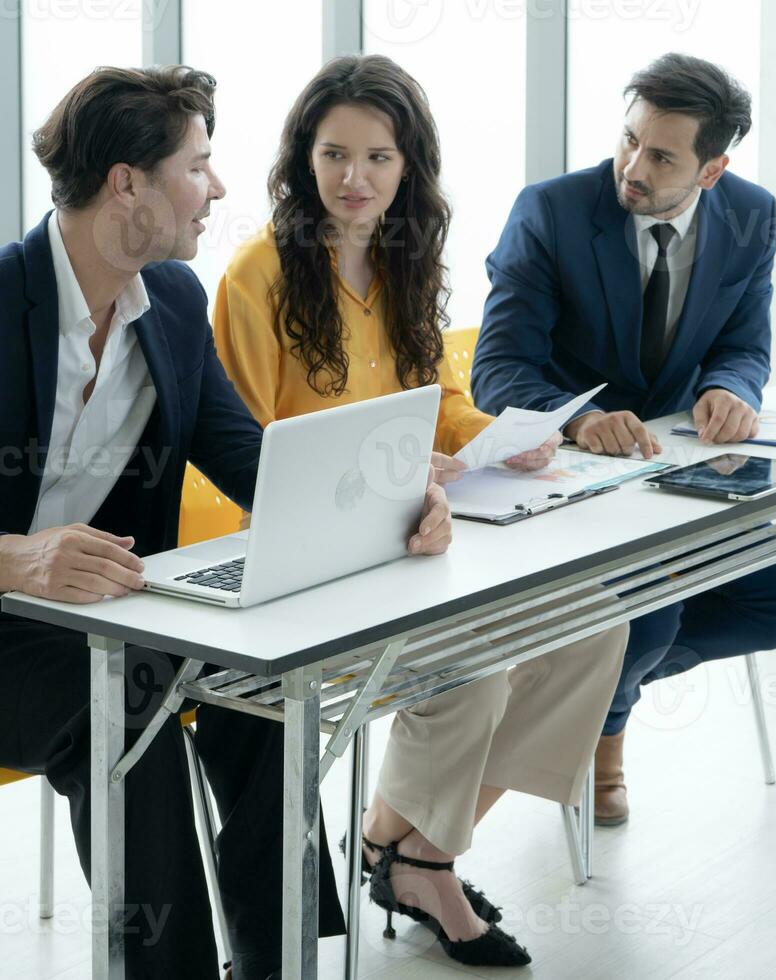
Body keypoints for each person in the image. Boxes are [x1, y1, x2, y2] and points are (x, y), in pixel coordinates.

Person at [0, 65, 453, 980]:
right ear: (127, 182)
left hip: (108, 608)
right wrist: (12, 557)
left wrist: (405, 502)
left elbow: (256, 463)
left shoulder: (167, 303)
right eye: (198, 167)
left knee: (266, 684)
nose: (218, 189)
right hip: (16, 623)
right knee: (124, 718)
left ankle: (277, 958)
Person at [212, 55, 627, 969]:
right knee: (471, 673)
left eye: (378, 158)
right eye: (333, 155)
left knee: (591, 623)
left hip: (412, 542)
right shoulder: (257, 274)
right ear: (301, 158)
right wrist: (402, 477)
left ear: (409, 169)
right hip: (301, 563)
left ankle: (408, 847)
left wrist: (499, 436)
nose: (353, 179)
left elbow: (436, 402)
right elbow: (240, 452)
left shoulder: (406, 265)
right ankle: (416, 861)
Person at [471, 52, 776, 825]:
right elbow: (494, 369)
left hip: (677, 469)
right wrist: (578, 418)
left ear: (712, 168)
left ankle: (600, 696)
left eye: (660, 155)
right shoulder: (551, 212)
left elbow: (742, 342)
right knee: (650, 613)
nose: (631, 164)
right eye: (629, 139)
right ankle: (601, 732)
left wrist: (731, 388)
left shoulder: (750, 215)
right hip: (564, 473)